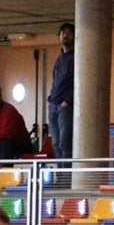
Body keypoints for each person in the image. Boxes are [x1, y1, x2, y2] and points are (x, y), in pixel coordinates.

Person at [47, 22, 75, 160]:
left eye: (69, 33)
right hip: (54, 103)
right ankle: (60, 176)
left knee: (65, 143)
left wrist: (67, 101)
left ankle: (66, 177)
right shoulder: (60, 58)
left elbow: (78, 82)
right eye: (63, 33)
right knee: (56, 143)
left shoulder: (75, 58)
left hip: (64, 106)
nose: (65, 35)